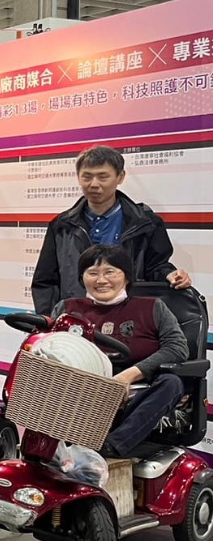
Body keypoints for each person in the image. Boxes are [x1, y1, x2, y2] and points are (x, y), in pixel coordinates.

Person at [51, 245, 188, 458]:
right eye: (92, 273)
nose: (101, 280)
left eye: (110, 272)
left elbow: (177, 347)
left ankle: (111, 447)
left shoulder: (153, 307)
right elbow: (47, 345)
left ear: (126, 277)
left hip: (135, 391)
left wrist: (126, 377)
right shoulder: (66, 309)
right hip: (80, 390)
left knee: (171, 383)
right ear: (82, 278)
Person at [31, 145, 191, 313]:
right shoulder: (62, 225)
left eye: (103, 177)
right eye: (87, 177)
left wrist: (170, 275)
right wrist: (49, 320)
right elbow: (45, 281)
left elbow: (156, 266)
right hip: (75, 318)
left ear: (120, 177)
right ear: (78, 177)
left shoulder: (146, 223)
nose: (94, 184)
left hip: (128, 317)